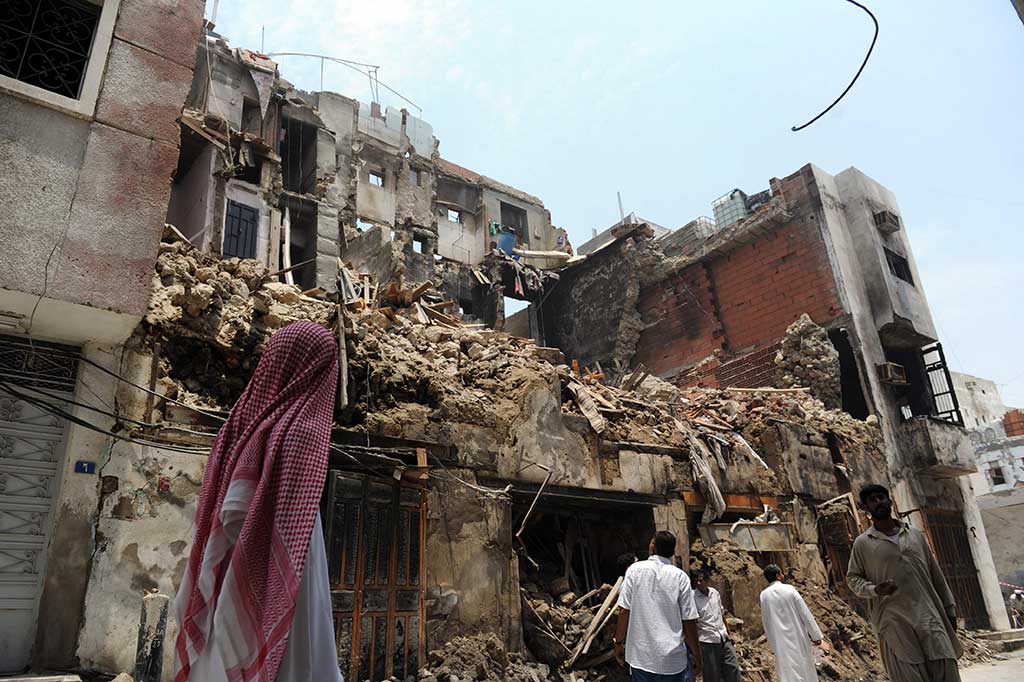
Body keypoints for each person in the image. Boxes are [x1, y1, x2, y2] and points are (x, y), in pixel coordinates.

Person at [174, 321, 343, 682]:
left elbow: (231, 508)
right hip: (282, 561)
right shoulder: (302, 428)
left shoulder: (240, 422)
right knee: (291, 657)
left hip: (223, 564)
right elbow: (251, 512)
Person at [847, 484, 963, 682]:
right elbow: (853, 578)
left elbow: (936, 575)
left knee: (945, 665)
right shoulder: (863, 543)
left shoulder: (915, 535)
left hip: (929, 614)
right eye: (872, 500)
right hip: (893, 620)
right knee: (907, 672)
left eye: (881, 497)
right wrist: (875, 589)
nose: (878, 503)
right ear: (866, 508)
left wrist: (949, 610)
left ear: (889, 501)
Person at [614, 531, 702, 681]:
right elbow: (688, 621)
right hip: (672, 662)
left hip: (641, 659)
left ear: (651, 547)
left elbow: (624, 612)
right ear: (672, 551)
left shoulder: (634, 571)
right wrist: (697, 654)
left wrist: (619, 642)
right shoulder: (680, 577)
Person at [760, 564, 822, 682]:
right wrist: (816, 636)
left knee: (787, 671)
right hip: (798, 637)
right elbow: (805, 613)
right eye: (781, 573)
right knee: (804, 669)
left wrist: (772, 643)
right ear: (778, 575)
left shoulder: (764, 595)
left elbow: (766, 621)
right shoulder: (789, 589)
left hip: (780, 641)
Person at [690, 568, 742, 682]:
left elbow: (721, 614)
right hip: (707, 642)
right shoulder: (692, 597)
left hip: (723, 638)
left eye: (701, 580)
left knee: (733, 670)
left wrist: (729, 634)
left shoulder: (714, 593)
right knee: (712, 676)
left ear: (707, 581)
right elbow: (692, 623)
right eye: (696, 581)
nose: (698, 583)